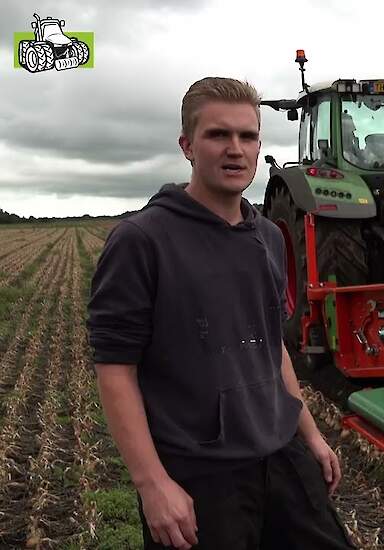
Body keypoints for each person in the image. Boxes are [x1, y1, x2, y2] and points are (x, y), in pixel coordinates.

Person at [87, 77, 355, 550]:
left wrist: (309, 435)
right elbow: (115, 370)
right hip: (199, 473)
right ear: (187, 146)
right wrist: (152, 484)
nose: (236, 149)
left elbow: (271, 347)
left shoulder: (269, 237)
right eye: (218, 135)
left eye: (247, 136)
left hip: (280, 456)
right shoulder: (142, 241)